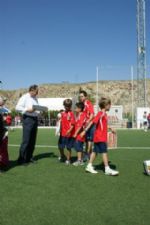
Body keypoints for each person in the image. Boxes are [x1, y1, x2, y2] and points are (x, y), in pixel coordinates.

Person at [81, 97, 119, 176]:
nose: (110, 106)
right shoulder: (100, 113)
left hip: (100, 137)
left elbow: (102, 125)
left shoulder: (104, 114)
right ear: (105, 105)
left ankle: (89, 166)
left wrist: (110, 128)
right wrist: (85, 131)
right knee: (104, 152)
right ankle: (107, 168)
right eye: (109, 104)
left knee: (95, 152)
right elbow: (93, 122)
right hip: (100, 137)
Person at [15, 84, 39, 165]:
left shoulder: (35, 98)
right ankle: (21, 159)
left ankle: (29, 158)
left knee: (32, 140)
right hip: (28, 119)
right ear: (31, 90)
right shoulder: (25, 97)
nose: (37, 93)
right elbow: (17, 107)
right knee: (26, 140)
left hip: (35, 119)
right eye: (36, 91)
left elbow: (35, 109)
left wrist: (40, 111)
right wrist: (27, 110)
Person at [58, 99, 75, 165]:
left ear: (70, 106)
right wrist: (59, 130)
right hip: (62, 134)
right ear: (64, 106)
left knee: (68, 147)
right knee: (60, 146)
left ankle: (68, 159)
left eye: (68, 106)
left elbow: (73, 125)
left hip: (69, 134)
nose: (67, 107)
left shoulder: (71, 114)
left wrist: (69, 131)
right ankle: (62, 156)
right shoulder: (62, 113)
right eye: (65, 106)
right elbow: (60, 123)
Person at [79, 90, 94, 160]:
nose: (81, 98)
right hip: (84, 125)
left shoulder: (88, 104)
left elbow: (92, 114)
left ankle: (87, 154)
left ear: (85, 97)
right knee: (86, 140)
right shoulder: (82, 105)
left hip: (90, 125)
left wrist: (88, 121)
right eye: (80, 97)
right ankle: (87, 153)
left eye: (82, 96)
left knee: (89, 140)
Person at [73, 102, 86, 166]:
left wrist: (75, 133)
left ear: (80, 109)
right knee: (78, 147)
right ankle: (81, 159)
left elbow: (80, 126)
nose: (75, 108)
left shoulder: (82, 115)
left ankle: (79, 160)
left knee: (78, 148)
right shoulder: (78, 114)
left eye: (76, 107)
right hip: (78, 134)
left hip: (80, 135)